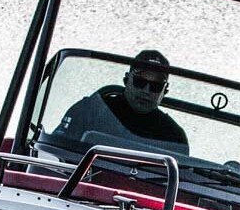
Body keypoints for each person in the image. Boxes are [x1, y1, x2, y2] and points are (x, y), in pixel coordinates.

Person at [54, 49, 189, 154]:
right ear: (126, 80)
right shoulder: (90, 110)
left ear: (164, 92)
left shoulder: (174, 136)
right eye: (140, 81)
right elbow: (56, 150)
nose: (146, 90)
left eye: (156, 86)